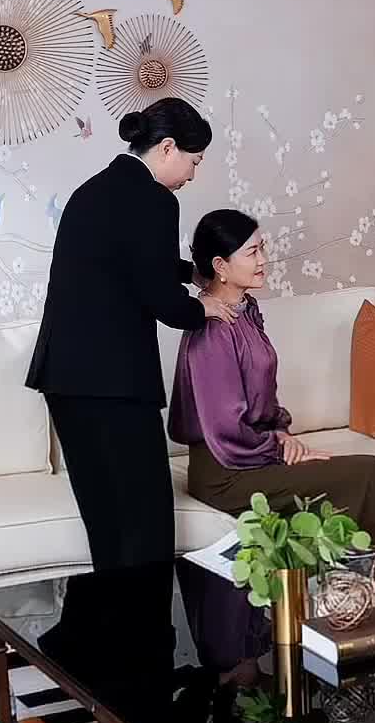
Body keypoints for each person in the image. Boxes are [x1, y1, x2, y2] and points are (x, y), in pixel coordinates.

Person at [27, 97, 234, 570]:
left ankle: (113, 618)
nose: (192, 175)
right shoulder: (155, 200)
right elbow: (163, 302)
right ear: (167, 147)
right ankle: (146, 620)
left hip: (65, 378)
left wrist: (191, 272)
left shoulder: (94, 190)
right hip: (113, 383)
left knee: (107, 522)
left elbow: (127, 260)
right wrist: (204, 307)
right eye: (194, 161)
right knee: (146, 522)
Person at [169, 207, 375, 530]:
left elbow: (262, 399)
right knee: (366, 470)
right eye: (252, 252)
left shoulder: (245, 310)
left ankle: (372, 558)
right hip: (227, 473)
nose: (263, 260)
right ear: (220, 266)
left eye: (262, 248)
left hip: (251, 456)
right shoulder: (214, 330)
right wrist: (278, 448)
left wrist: (281, 434)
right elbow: (226, 430)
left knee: (363, 471)